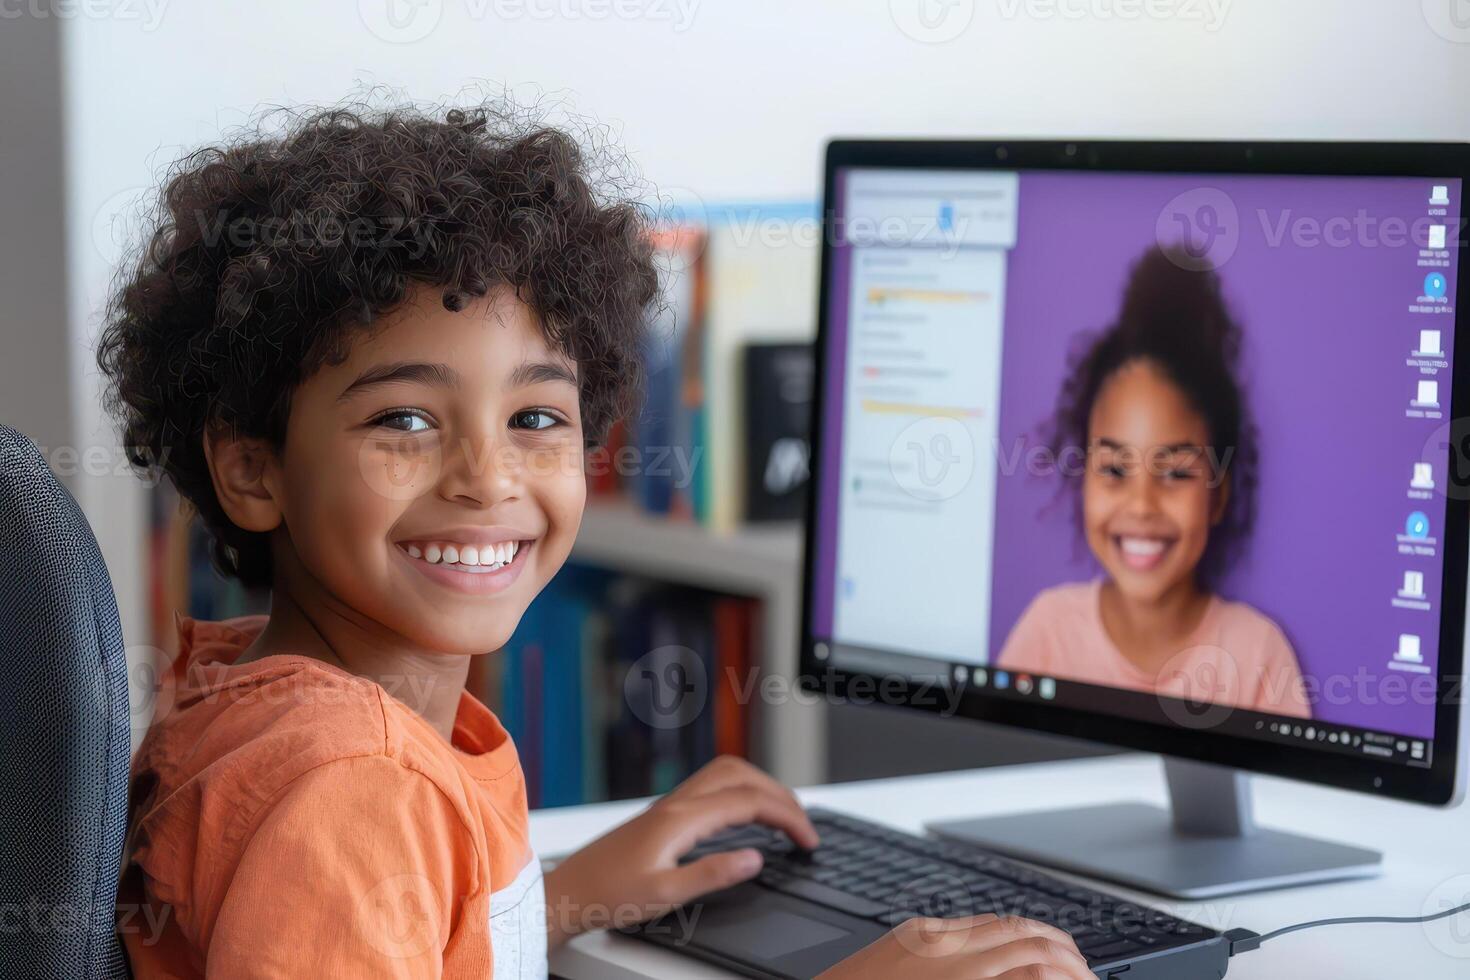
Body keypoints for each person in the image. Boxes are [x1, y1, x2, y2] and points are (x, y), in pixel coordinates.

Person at [101, 99, 1094, 979]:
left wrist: (565, 893)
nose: (486, 477)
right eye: (404, 420)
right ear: (251, 468)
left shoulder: (266, 700)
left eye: (536, 418)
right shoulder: (350, 784)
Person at [997, 245, 1310, 719]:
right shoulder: (1048, 631)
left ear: (1218, 496)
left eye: (1176, 472)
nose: (1142, 505)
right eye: (1115, 470)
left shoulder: (1257, 655)